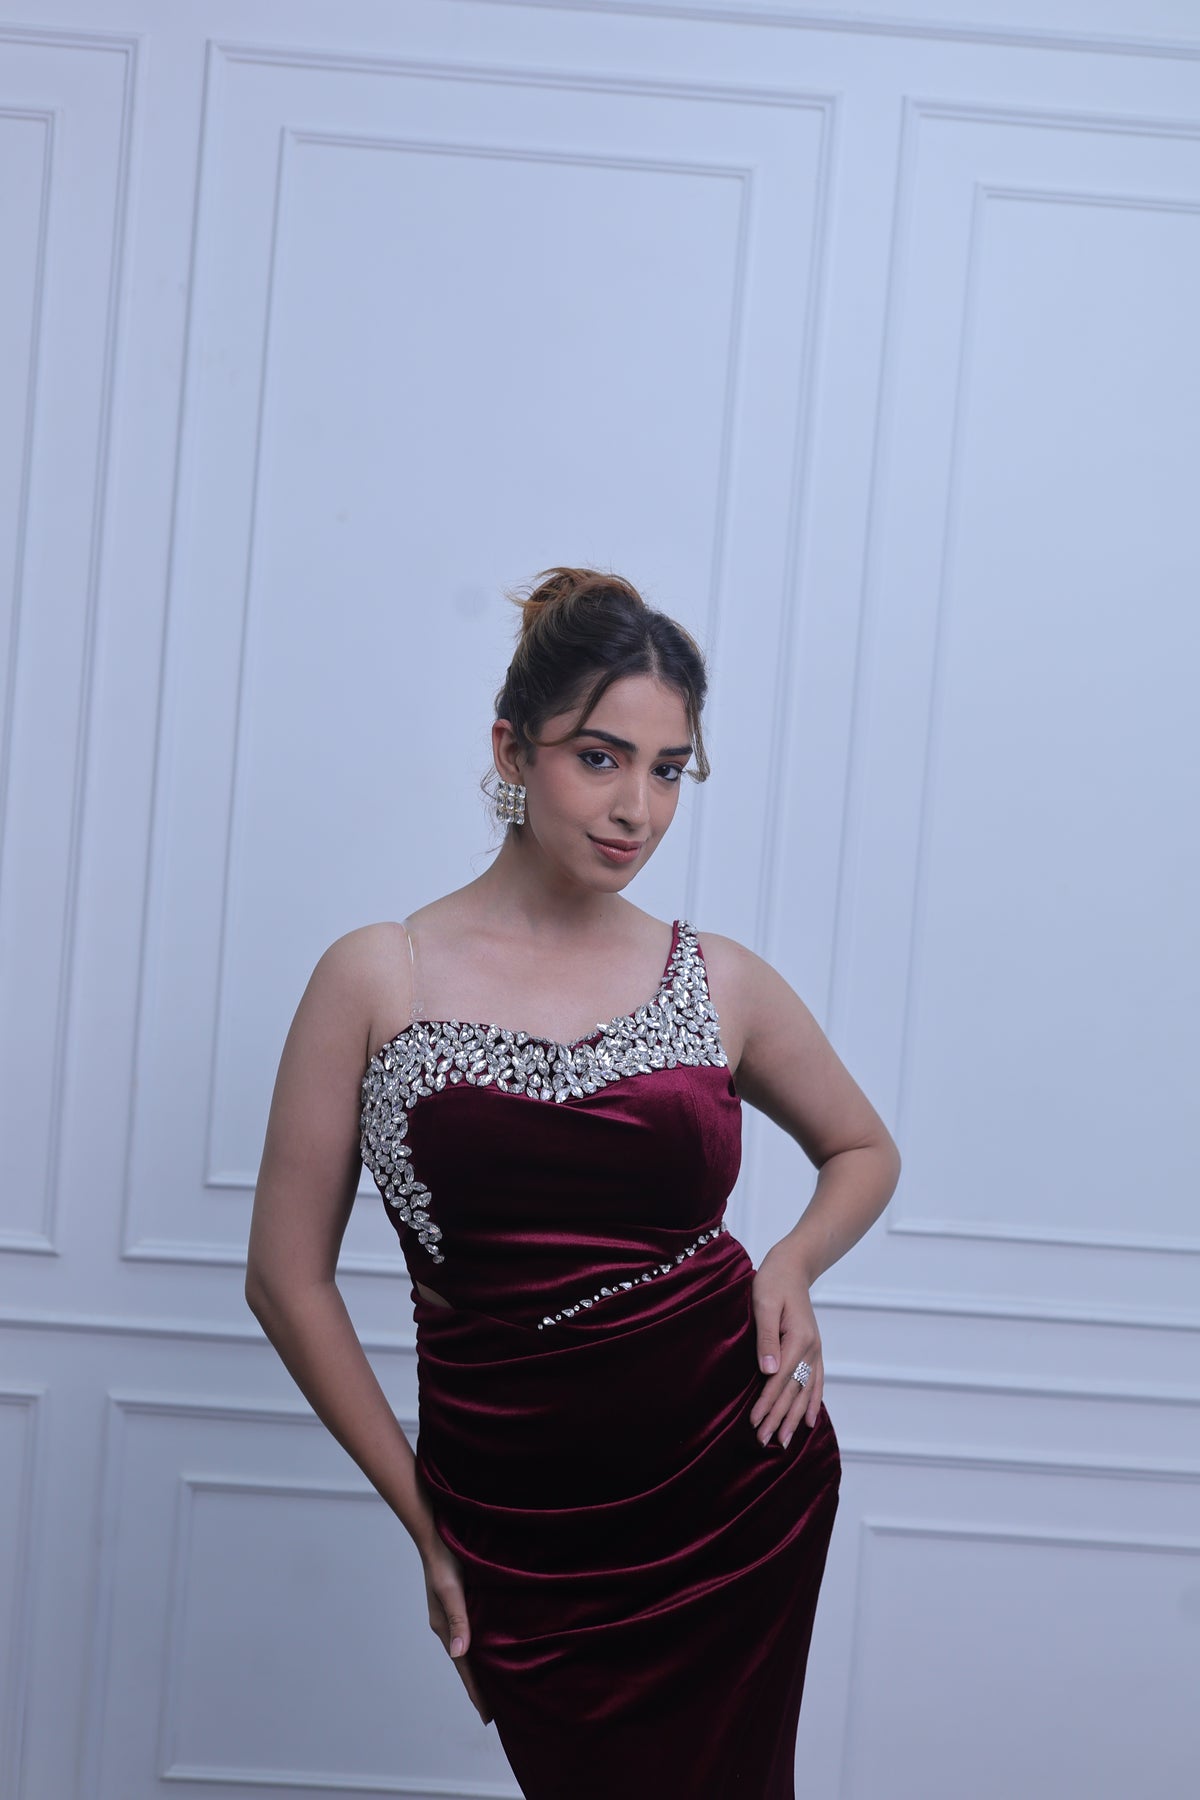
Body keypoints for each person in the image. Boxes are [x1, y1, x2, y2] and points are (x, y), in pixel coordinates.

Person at [245, 566, 901, 1799]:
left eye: (669, 770)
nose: (636, 809)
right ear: (512, 749)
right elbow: (285, 1281)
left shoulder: (719, 979)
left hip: (736, 1486)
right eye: (600, 759)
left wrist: (793, 1263)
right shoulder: (375, 977)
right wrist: (429, 1528)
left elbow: (865, 1150)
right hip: (523, 1528)